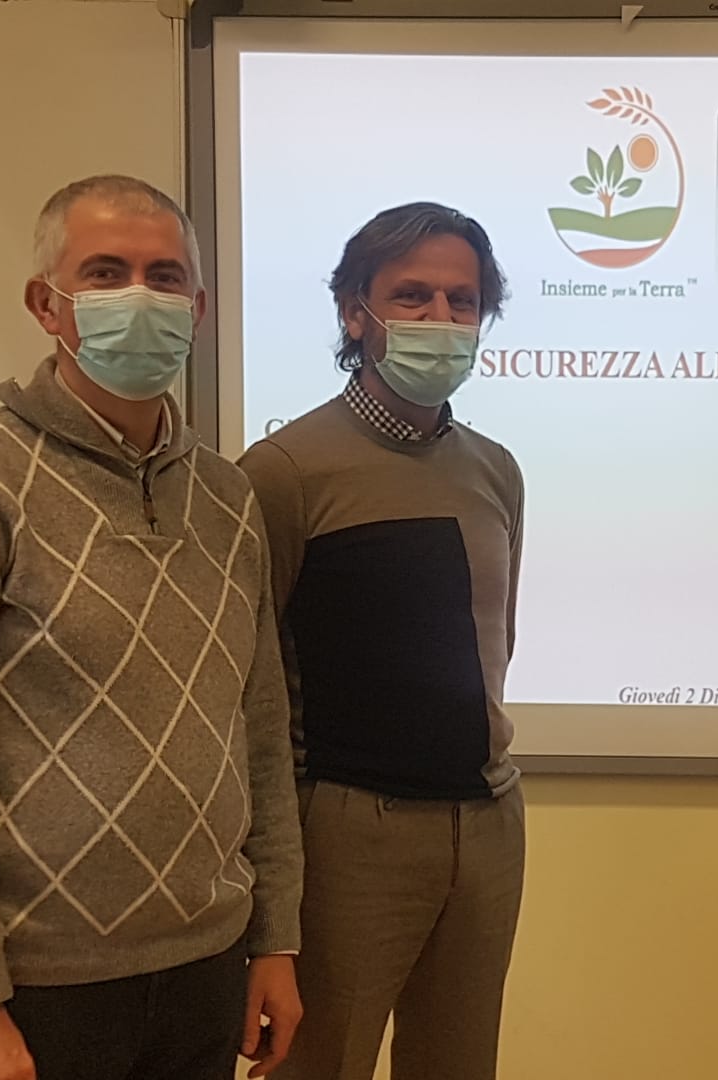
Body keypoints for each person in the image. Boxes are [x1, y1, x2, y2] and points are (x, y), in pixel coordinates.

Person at [0, 174, 303, 1080]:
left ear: (197, 309)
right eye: (105, 272)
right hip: (39, 986)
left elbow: (260, 733)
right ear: (47, 305)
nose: (140, 297)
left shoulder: (229, 495)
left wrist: (274, 940)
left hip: (208, 963)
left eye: (165, 277)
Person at [239, 202, 525, 1080]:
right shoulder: (283, 473)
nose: (441, 318)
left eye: (462, 300)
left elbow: (496, 647)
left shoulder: (496, 470)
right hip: (348, 835)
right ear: (354, 311)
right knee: (319, 1065)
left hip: (487, 827)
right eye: (412, 295)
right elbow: (253, 689)